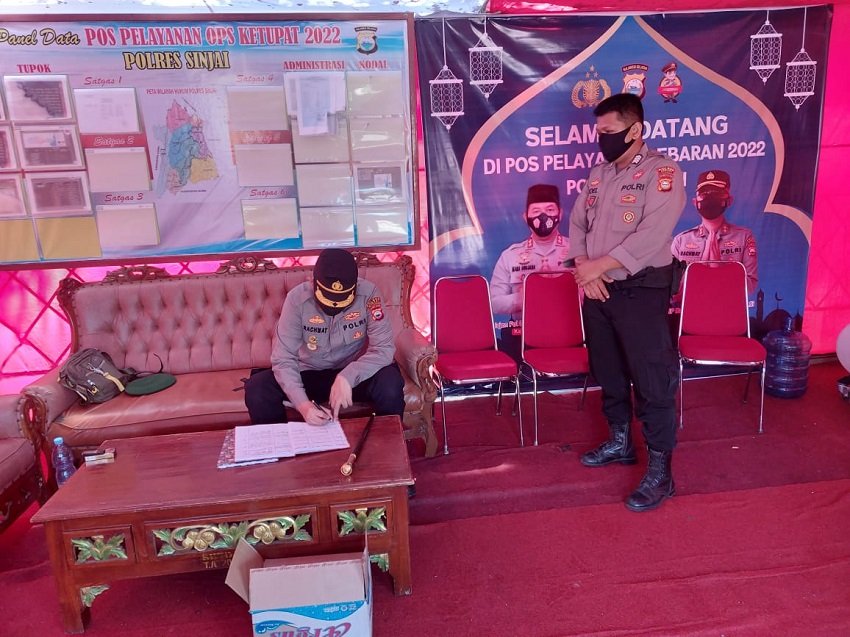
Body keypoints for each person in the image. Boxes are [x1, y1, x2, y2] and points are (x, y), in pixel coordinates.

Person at [569, 92, 685, 512]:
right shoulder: (599, 174)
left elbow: (652, 235)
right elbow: (577, 224)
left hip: (640, 291)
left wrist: (596, 268)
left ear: (635, 130)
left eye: (609, 131)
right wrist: (585, 270)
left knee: (652, 381)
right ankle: (620, 442)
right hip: (599, 291)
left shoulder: (662, 172)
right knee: (609, 372)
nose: (601, 138)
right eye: (598, 131)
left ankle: (661, 472)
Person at [244, 248, 405, 425]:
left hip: (352, 374)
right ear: (313, 282)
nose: (334, 305)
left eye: (342, 300)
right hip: (309, 373)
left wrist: (348, 376)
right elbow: (283, 358)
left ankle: (386, 440)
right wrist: (303, 405)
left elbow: (383, 349)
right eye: (328, 298)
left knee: (390, 383)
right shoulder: (297, 300)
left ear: (355, 287)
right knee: (257, 388)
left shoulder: (369, 295)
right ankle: (280, 442)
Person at [490, 184, 571, 359]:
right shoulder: (510, 255)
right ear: (525, 216)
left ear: (560, 214)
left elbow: (592, 294)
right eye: (536, 211)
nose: (543, 216)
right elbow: (494, 303)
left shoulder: (576, 251)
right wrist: (525, 298)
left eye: (550, 209)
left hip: (569, 330)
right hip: (523, 334)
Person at [671, 169, 758, 294]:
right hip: (691, 305)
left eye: (717, 193)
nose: (710, 198)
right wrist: (700, 268)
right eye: (704, 194)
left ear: (730, 200)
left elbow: (750, 286)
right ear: (695, 202)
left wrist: (719, 270)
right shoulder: (681, 241)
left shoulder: (744, 237)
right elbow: (673, 289)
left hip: (728, 304)